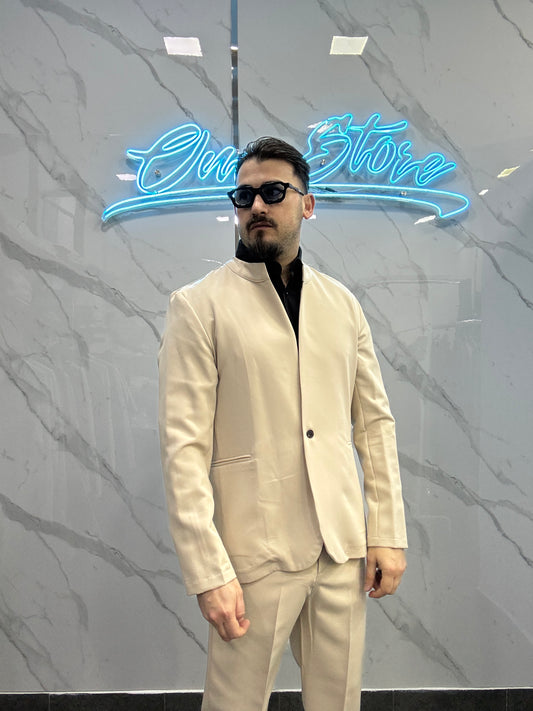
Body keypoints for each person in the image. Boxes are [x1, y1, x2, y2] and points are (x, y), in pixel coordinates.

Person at [158, 137, 407, 711]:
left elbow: (374, 424)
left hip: (341, 548)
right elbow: (183, 449)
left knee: (338, 702)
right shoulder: (199, 306)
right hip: (254, 550)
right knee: (234, 704)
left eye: (273, 192)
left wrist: (387, 531)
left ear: (307, 204)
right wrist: (207, 570)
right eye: (244, 196)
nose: (256, 206)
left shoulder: (342, 305)